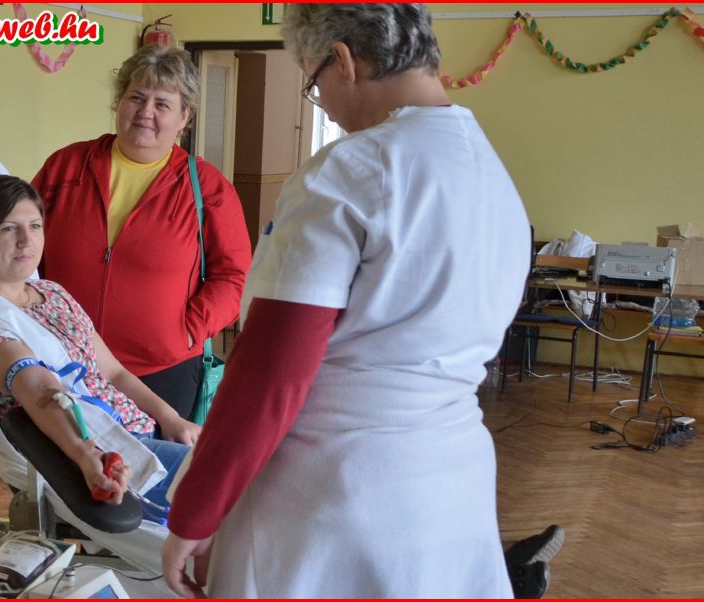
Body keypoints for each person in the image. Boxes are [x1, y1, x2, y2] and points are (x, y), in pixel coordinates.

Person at [161, 4, 532, 597]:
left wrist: (197, 511)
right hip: (453, 480)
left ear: (343, 61)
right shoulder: (491, 172)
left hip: (335, 492)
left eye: (314, 83)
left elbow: (271, 373)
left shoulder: (352, 170)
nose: (326, 107)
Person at [0, 174, 194, 515]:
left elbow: (114, 373)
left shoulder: (54, 293)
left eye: (34, 226)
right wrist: (88, 455)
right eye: (9, 228)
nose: (26, 241)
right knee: (235, 479)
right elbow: (40, 389)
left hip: (144, 430)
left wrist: (171, 418)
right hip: (115, 454)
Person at [32, 45, 252, 421]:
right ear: (119, 102)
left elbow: (233, 277)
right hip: (64, 360)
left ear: (184, 116)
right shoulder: (66, 167)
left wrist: (188, 330)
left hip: (163, 372)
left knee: (153, 459)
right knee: (64, 458)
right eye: (136, 97)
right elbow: (25, 245)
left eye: (162, 104)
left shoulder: (208, 188)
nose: (145, 112)